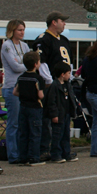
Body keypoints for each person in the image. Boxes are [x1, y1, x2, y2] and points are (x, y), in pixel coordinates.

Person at [34, 11, 72, 161]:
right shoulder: (43, 39)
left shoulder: (64, 40)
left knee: (63, 118)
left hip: (64, 84)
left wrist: (69, 78)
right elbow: (42, 62)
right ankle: (45, 149)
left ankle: (62, 150)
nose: (64, 24)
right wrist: (49, 81)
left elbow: (68, 62)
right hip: (51, 84)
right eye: (62, 21)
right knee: (48, 118)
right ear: (54, 22)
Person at [1, 19, 29, 164]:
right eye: (19, 30)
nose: (22, 32)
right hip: (12, 87)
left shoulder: (24, 46)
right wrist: (26, 65)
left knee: (23, 122)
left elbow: (32, 62)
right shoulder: (7, 46)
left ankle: (22, 152)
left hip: (24, 87)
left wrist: (24, 64)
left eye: (23, 30)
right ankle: (13, 154)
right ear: (12, 30)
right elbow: (15, 67)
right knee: (14, 123)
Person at [14, 51, 46, 166]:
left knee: (23, 132)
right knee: (35, 133)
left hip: (23, 106)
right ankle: (34, 157)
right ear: (36, 64)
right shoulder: (38, 79)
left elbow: (15, 92)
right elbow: (40, 95)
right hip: (35, 107)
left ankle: (22, 157)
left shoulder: (21, 77)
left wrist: (24, 95)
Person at [44, 62, 78, 163]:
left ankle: (66, 153)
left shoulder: (68, 85)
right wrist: (54, 115)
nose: (70, 75)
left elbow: (71, 97)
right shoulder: (54, 86)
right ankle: (56, 154)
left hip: (66, 113)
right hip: (59, 114)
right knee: (57, 135)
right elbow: (51, 102)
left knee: (66, 135)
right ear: (62, 74)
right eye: (68, 73)